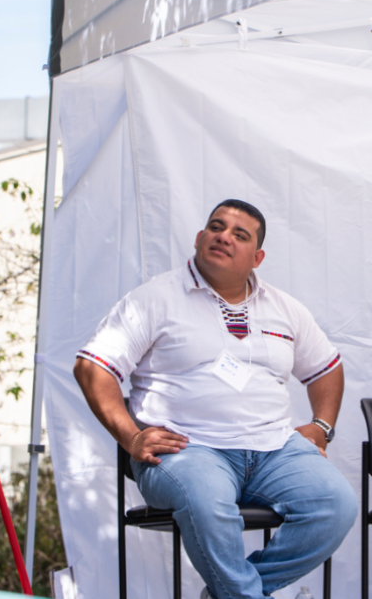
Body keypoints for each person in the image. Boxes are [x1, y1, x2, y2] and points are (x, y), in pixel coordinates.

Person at [73, 199, 357, 599]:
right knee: (207, 502)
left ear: (257, 257)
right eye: (216, 227)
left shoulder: (284, 308)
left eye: (240, 235)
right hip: (188, 448)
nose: (224, 236)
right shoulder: (155, 298)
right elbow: (92, 366)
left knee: (335, 505)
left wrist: (322, 426)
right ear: (199, 237)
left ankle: (232, 593)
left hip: (275, 448)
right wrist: (130, 436)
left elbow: (326, 367)